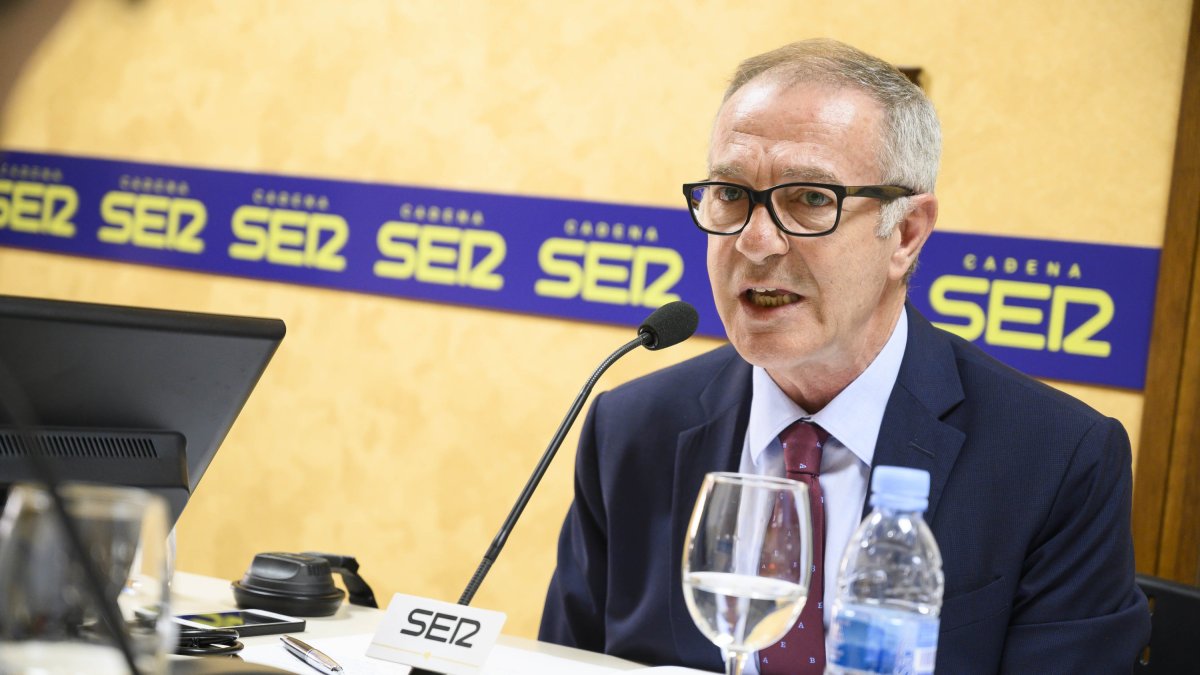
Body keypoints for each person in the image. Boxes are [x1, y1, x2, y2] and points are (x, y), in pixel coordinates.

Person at [539, 38, 1149, 673]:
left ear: (906, 234)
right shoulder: (632, 428)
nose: (755, 242)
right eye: (730, 193)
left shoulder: (1055, 460)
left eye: (809, 199)